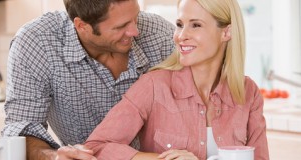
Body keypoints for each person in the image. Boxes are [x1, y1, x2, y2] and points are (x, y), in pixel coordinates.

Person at [84, 0, 270, 159]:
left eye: (195, 25)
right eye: (180, 24)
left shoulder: (248, 92)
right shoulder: (154, 85)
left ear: (226, 33)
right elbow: (97, 147)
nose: (181, 36)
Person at [2, 0, 175, 159]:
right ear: (82, 26)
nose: (135, 31)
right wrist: (53, 157)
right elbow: (22, 127)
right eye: (120, 26)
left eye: (136, 17)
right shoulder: (37, 42)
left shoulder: (161, 35)